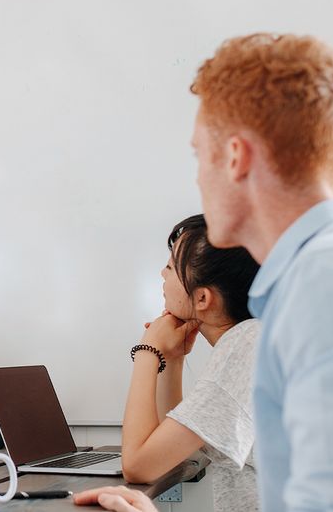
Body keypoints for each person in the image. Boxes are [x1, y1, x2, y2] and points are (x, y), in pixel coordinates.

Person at [76, 32, 333, 512]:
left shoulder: (317, 286)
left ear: (236, 157)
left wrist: (149, 352)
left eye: (199, 155)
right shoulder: (303, 285)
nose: (198, 178)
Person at [78, 214, 260, 512]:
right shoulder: (250, 339)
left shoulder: (246, 346)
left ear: (202, 298)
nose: (162, 274)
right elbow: (168, 451)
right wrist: (172, 359)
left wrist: (147, 351)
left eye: (171, 267)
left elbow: (139, 466)